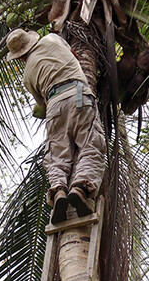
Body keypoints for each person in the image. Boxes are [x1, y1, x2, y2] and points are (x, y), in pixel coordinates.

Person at [6, 28, 106, 223]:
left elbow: (41, 104)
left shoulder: (27, 76)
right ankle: (80, 189)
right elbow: (74, 55)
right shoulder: (52, 39)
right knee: (90, 145)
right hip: (77, 95)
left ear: (19, 57)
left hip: (53, 107)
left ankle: (59, 190)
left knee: (57, 156)